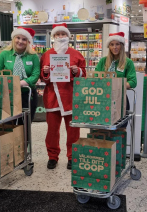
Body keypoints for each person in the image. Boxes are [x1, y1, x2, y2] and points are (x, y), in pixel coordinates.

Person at [40, 23, 86, 169]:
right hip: (52, 97)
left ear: (68, 36)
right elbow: (43, 78)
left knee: (73, 130)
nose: (60, 37)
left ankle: (72, 156)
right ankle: (52, 157)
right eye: (57, 34)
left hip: (71, 97)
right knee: (52, 131)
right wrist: (46, 71)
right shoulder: (47, 55)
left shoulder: (77, 54)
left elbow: (83, 74)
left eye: (63, 34)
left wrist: (76, 71)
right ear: (53, 37)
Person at [0, 27, 40, 123]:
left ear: (28, 41)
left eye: (24, 39)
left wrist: (21, 83)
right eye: (18, 38)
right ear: (13, 38)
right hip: (7, 95)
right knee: (8, 123)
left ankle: (24, 138)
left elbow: (35, 75)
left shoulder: (33, 56)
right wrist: (10, 83)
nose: (20, 41)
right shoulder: (4, 54)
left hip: (27, 95)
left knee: (25, 124)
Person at [95, 32, 137, 114]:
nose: (115, 47)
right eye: (112, 44)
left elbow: (133, 81)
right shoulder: (103, 61)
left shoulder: (128, 62)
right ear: (109, 46)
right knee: (103, 124)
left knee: (120, 125)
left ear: (121, 45)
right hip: (103, 97)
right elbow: (95, 76)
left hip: (120, 99)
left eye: (117, 44)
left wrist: (117, 85)